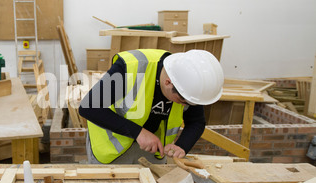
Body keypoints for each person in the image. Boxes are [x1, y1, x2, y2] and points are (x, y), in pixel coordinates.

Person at [78, 49, 224, 164]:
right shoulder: (130, 68)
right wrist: (139, 132)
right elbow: (88, 107)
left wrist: (182, 145)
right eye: (182, 101)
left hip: (153, 152)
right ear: (168, 83)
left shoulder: (187, 81)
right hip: (110, 149)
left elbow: (196, 121)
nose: (186, 105)